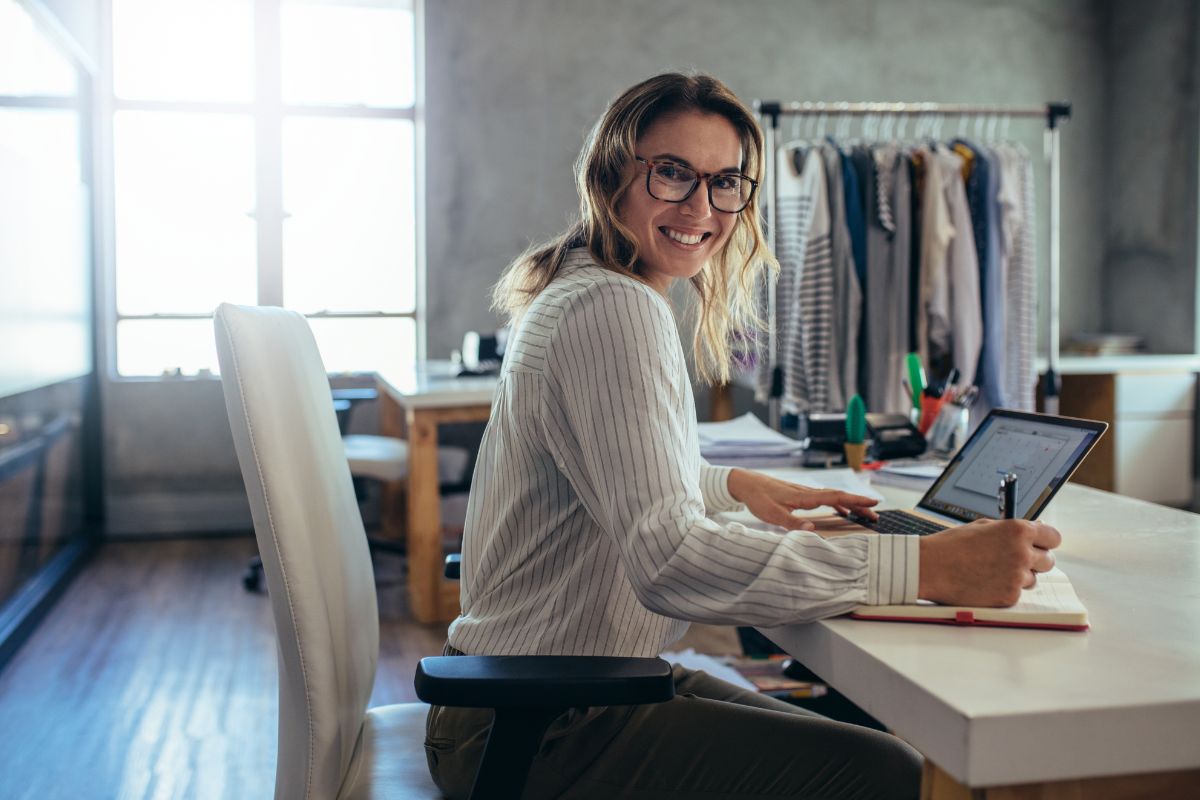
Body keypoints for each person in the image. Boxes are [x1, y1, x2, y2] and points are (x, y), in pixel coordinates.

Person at [424, 72, 1061, 799]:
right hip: (545, 725)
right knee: (888, 775)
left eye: (725, 182)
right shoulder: (614, 309)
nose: (702, 207)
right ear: (612, 176)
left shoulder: (584, 286)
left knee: (865, 745)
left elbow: (620, 477)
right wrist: (928, 569)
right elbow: (668, 559)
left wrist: (734, 487)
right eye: (672, 174)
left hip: (537, 697)